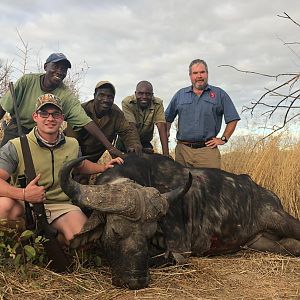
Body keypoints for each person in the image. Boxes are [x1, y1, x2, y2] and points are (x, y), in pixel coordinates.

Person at [0, 94, 123, 245]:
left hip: (61, 206)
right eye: (44, 113)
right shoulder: (15, 145)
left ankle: (51, 240)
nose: (50, 118)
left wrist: (103, 167)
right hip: (25, 204)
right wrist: (23, 193)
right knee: (3, 207)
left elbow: (80, 165)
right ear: (35, 116)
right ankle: (19, 243)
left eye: (55, 114)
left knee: (83, 240)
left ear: (62, 118)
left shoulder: (72, 144)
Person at [0, 52, 123, 158]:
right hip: (18, 128)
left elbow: (86, 122)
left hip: (45, 136)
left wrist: (110, 147)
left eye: (64, 69)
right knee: (4, 157)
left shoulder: (67, 95)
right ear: (45, 66)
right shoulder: (26, 81)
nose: (60, 71)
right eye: (56, 66)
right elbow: (3, 107)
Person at [165, 59, 240, 169]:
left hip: (208, 151)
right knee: (182, 185)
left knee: (211, 185)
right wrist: (166, 134)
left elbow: (233, 119)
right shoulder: (180, 95)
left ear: (207, 74)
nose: (199, 76)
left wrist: (223, 139)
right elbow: (167, 118)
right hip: (183, 151)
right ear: (190, 75)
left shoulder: (219, 94)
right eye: (195, 73)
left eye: (202, 72)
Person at [65, 81, 142, 183]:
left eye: (110, 96)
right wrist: (78, 167)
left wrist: (134, 145)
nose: (106, 100)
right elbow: (71, 143)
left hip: (94, 156)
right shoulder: (81, 110)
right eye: (101, 95)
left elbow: (127, 131)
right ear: (94, 95)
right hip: (74, 154)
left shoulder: (116, 113)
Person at [117, 81, 169, 156]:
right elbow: (131, 126)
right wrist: (138, 147)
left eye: (148, 94)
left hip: (145, 141)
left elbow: (161, 125)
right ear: (135, 93)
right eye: (140, 93)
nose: (144, 97)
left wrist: (166, 154)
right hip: (127, 140)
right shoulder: (127, 102)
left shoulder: (158, 103)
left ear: (152, 95)